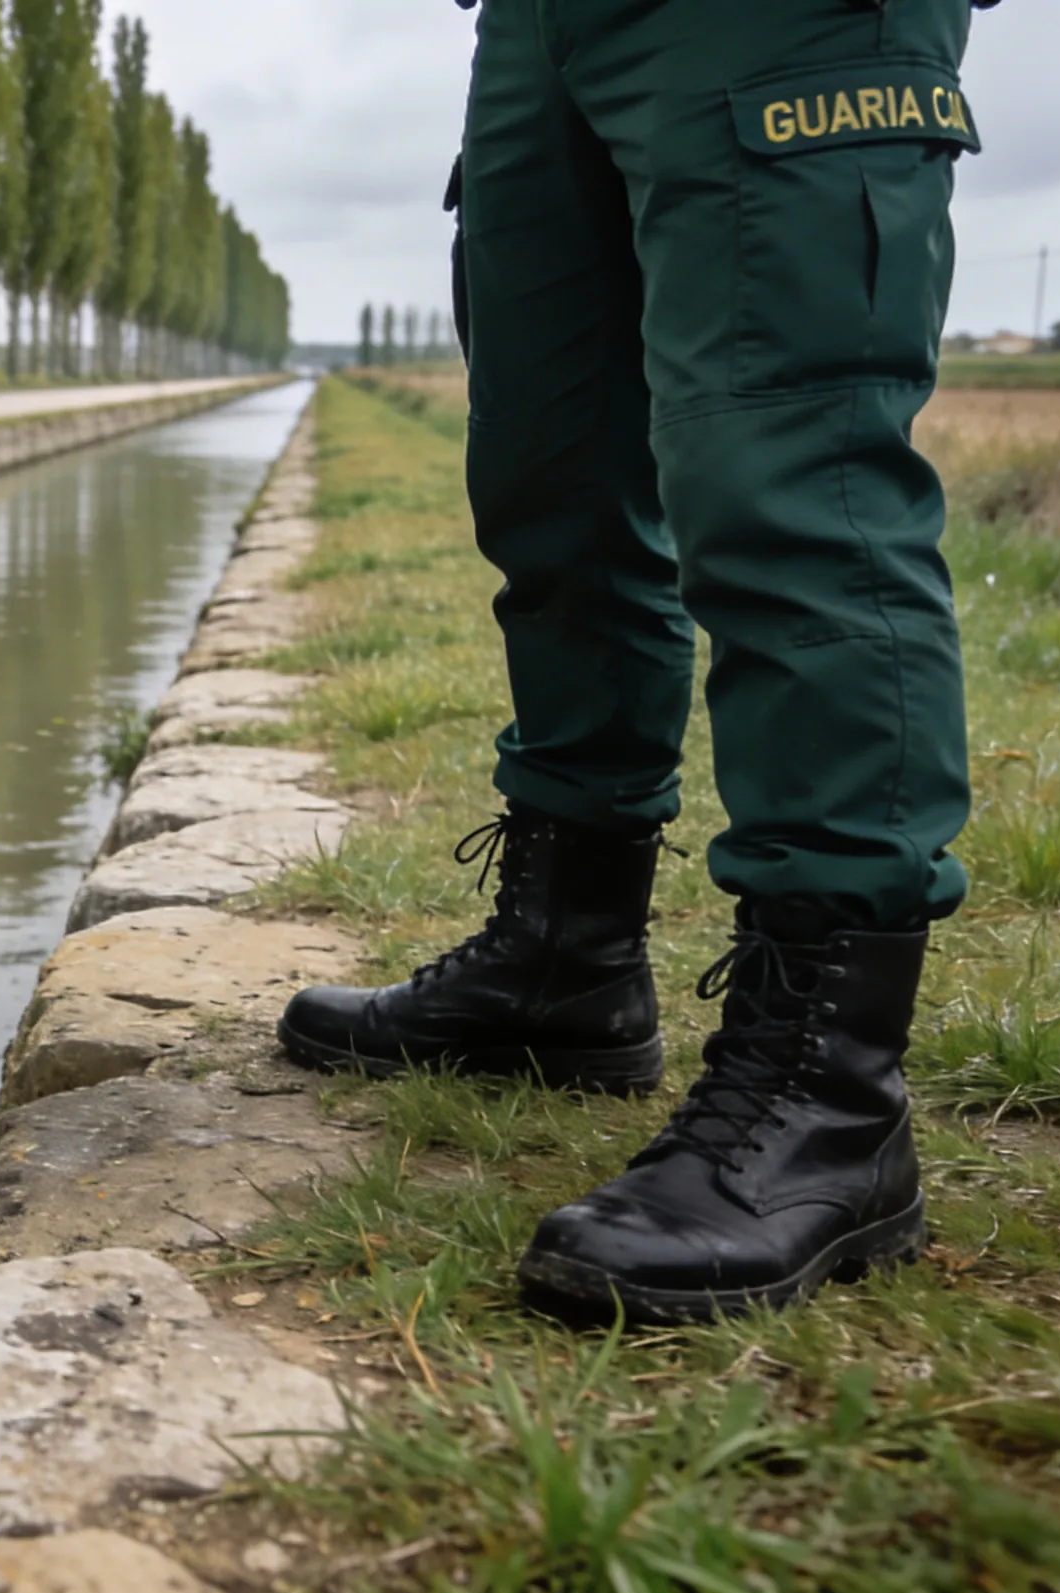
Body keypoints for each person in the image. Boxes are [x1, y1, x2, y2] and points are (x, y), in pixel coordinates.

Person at [279, 0, 999, 1326]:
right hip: (539, 26)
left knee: (786, 484)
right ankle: (566, 965)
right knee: (554, 492)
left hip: (774, 24)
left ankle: (832, 1097)